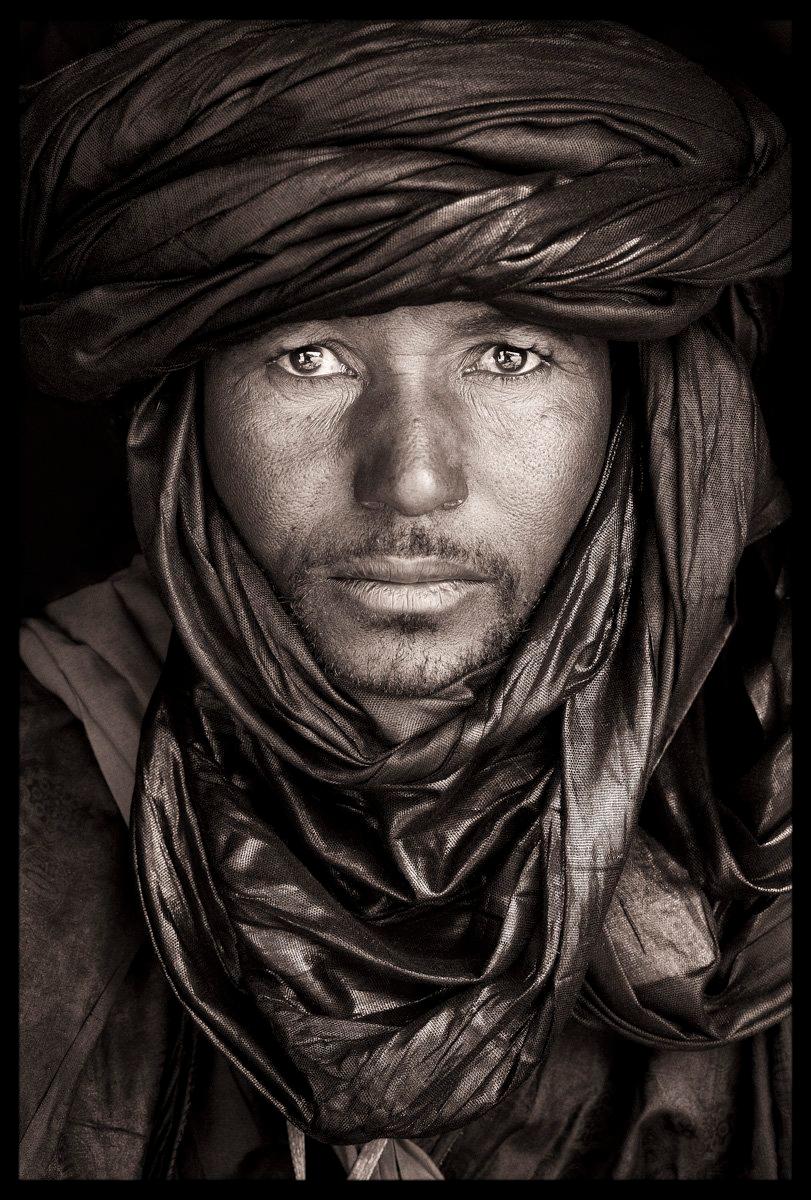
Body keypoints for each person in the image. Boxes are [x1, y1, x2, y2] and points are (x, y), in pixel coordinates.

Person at [19, 19, 791, 1180]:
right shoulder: (41, 805)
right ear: (182, 420)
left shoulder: (759, 791)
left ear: (635, 408)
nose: (413, 478)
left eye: (509, 357)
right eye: (310, 358)